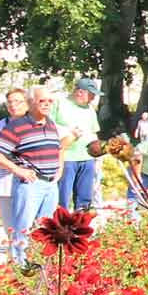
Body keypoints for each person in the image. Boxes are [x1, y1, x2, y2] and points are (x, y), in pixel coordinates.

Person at [0, 88, 61, 265]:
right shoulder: (18, 126)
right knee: (22, 230)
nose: (47, 104)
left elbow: (59, 148)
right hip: (30, 185)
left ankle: (40, 266)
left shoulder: (49, 123)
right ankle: (20, 267)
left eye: (50, 101)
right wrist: (17, 170)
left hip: (50, 184)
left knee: (45, 228)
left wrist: (59, 168)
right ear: (31, 102)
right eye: (42, 101)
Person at [51, 80, 104, 211]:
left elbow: (93, 132)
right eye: (91, 95)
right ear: (80, 92)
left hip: (87, 158)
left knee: (84, 199)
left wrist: (98, 157)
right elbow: (49, 127)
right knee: (62, 197)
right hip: (66, 158)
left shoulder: (90, 108)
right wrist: (68, 132)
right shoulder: (59, 104)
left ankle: (81, 225)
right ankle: (60, 226)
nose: (94, 98)